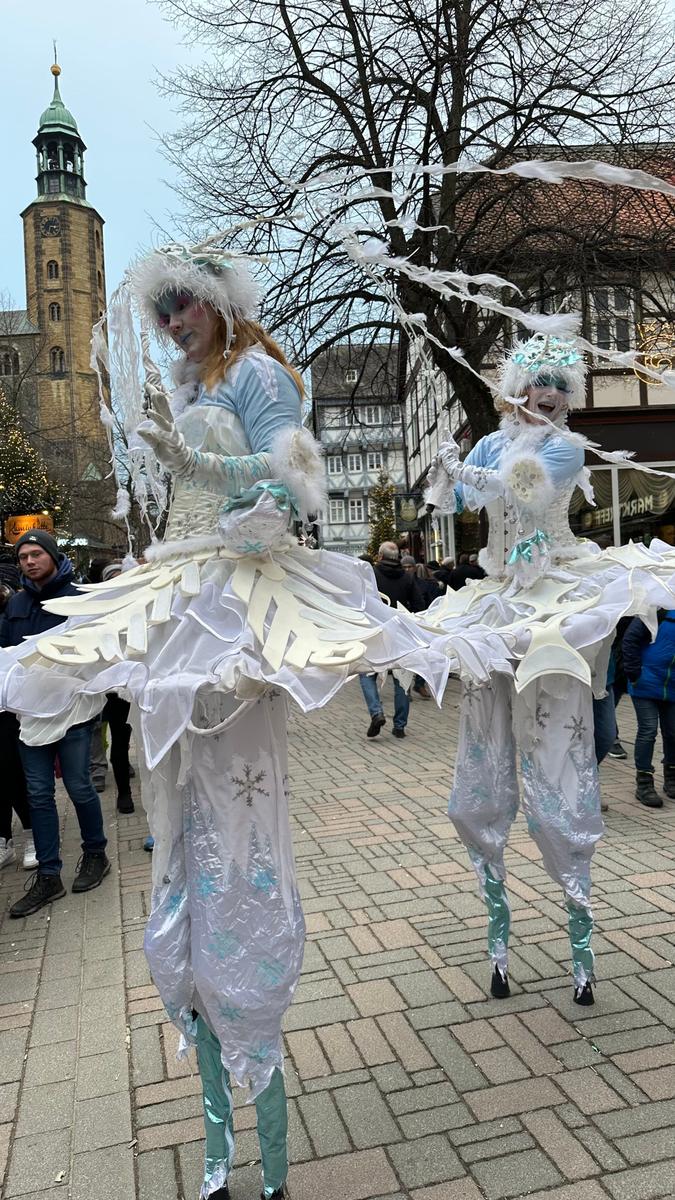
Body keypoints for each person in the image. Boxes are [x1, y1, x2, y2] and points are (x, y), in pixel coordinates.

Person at [0, 240, 449, 1200]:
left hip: (239, 604)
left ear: (214, 303)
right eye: (159, 313)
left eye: (181, 308)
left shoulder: (259, 373)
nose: (170, 326)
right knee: (174, 804)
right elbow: (189, 491)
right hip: (180, 586)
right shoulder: (193, 377)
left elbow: (288, 476)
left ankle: (264, 1123)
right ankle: (211, 1112)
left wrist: (198, 456)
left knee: (238, 814)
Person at [425, 331, 675, 1006]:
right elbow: (460, 505)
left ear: (566, 397)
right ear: (515, 387)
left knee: (558, 761)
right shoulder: (488, 442)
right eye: (535, 383)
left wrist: (471, 472)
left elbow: (528, 493)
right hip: (497, 602)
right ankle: (498, 936)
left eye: (558, 387)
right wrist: (447, 469)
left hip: (553, 598)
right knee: (483, 760)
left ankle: (580, 943)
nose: (546, 396)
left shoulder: (564, 447)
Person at [0, 530, 109, 916]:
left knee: (80, 786)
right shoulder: (15, 606)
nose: (29, 561)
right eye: (22, 557)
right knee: (39, 795)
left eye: (35, 554)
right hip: (30, 717)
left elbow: (99, 648)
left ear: (52, 554)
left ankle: (95, 854)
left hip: (73, 711)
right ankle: (49, 875)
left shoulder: (81, 600)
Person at [360, 542, 426, 735]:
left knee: (367, 672)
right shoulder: (407, 578)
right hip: (400, 633)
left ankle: (376, 712)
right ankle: (399, 726)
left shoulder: (371, 576)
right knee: (402, 678)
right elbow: (419, 605)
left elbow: (361, 602)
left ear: (380, 556)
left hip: (375, 632)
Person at [622, 609, 675, 808]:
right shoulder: (658, 609)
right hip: (646, 683)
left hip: (672, 687)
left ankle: (671, 778)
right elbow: (630, 640)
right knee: (648, 730)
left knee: (672, 733)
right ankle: (644, 783)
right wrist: (634, 674)